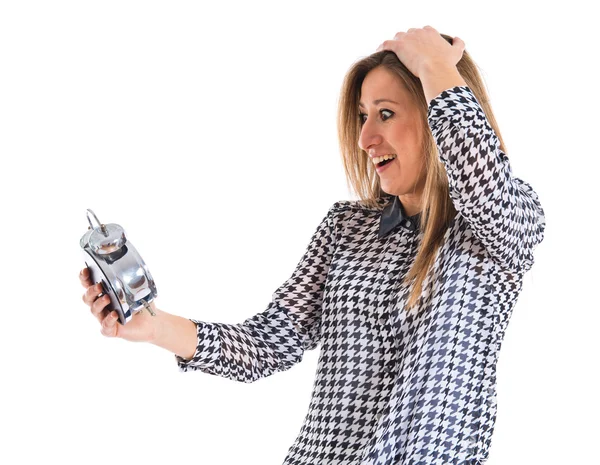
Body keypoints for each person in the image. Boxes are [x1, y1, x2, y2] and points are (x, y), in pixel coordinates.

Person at [79, 26, 545, 465]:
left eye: (386, 113)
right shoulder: (347, 227)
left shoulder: (502, 222)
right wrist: (153, 327)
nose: (365, 138)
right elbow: (269, 342)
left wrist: (438, 66)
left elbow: (481, 180)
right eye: (363, 117)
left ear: (435, 116)